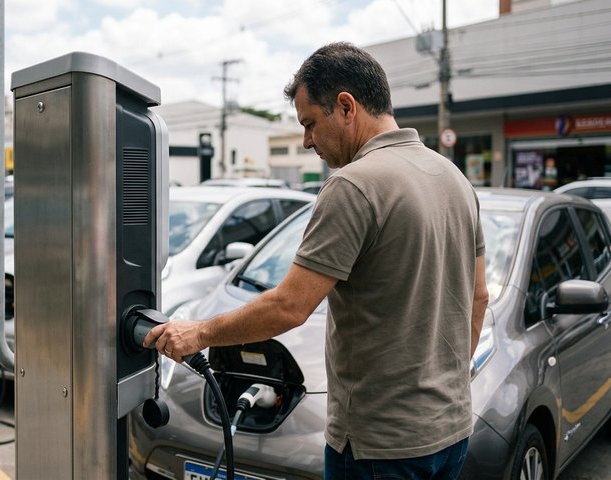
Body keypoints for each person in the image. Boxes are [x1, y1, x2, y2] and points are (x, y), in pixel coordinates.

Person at [144, 42, 489, 480]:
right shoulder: (455, 180)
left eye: (309, 123)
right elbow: (478, 297)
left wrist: (198, 332)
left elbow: (289, 306)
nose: (307, 141)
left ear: (346, 107)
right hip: (451, 431)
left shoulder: (354, 185)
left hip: (378, 447)